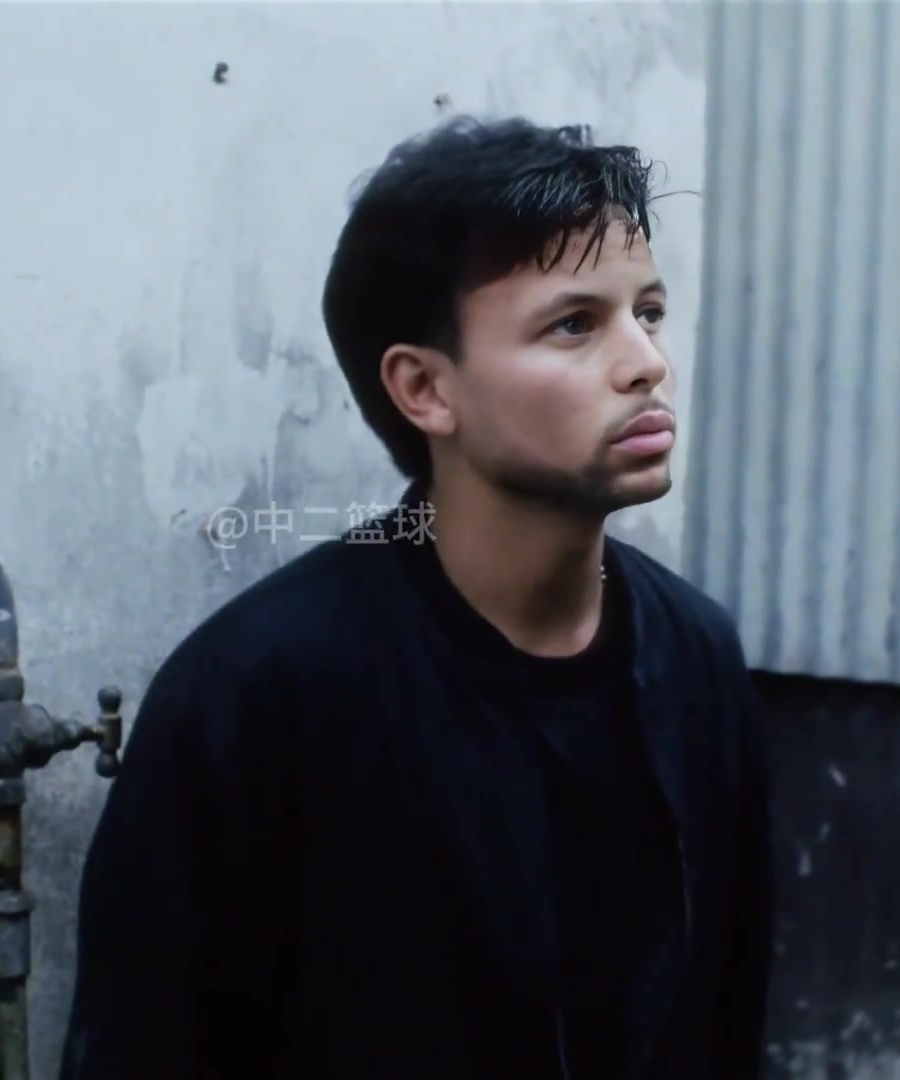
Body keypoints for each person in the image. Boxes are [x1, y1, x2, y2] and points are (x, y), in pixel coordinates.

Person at [59, 116, 774, 1080]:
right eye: (573, 325)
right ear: (425, 390)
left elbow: (727, 1012)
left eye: (646, 312)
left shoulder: (696, 657)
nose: (646, 361)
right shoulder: (257, 695)